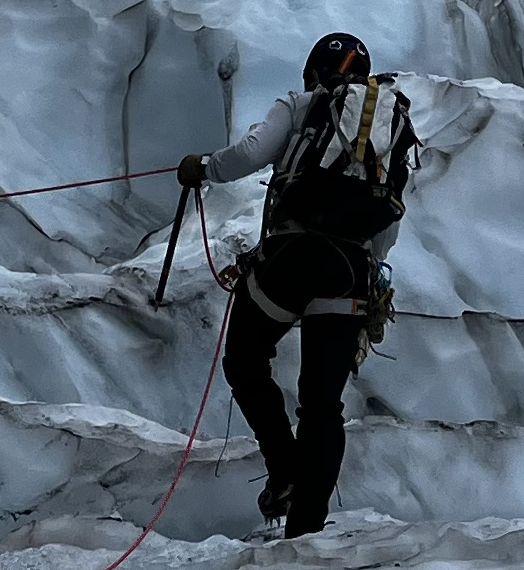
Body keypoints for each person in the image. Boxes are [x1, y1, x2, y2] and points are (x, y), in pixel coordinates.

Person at [177, 30, 416, 543]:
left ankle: (283, 470)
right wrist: (368, 270)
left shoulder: (301, 103)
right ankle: (306, 530)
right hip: (350, 266)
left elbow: (249, 152)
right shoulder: (385, 128)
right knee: (322, 404)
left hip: (290, 258)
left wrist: (204, 167)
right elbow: (388, 218)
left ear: (313, 71)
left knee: (244, 358)